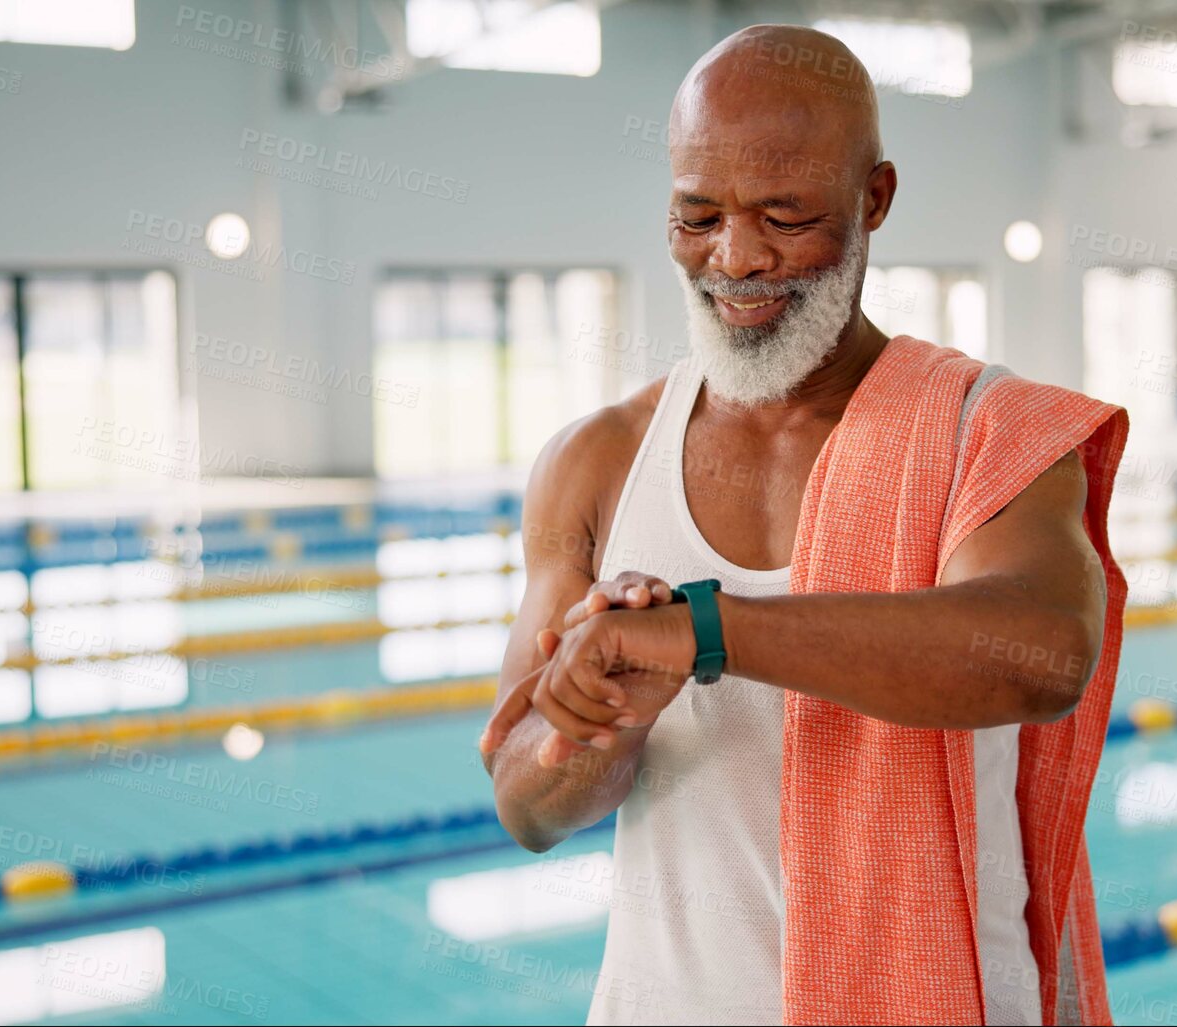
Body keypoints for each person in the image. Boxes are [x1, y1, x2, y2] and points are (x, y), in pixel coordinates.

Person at [479, 23, 1128, 1026]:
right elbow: (525, 806)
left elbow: (1042, 653)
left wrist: (704, 629)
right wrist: (597, 720)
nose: (736, 259)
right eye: (697, 216)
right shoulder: (600, 459)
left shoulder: (989, 431)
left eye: (785, 214)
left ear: (875, 198)